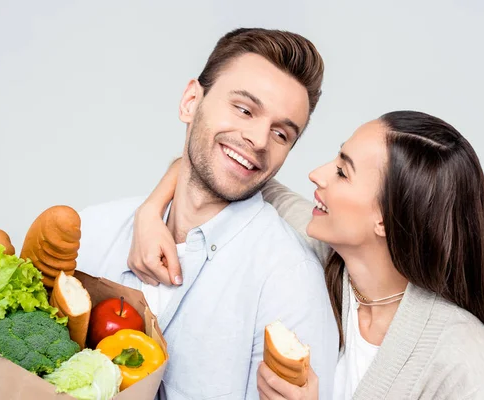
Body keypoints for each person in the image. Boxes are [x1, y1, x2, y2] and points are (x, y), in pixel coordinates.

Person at [128, 111, 484, 399]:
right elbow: (216, 171)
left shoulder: (460, 352)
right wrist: (150, 211)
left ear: (386, 218)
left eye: (343, 173)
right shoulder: (312, 248)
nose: (317, 173)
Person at [76, 28, 338, 399]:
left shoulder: (290, 283)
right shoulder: (94, 230)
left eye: (281, 134)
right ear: (190, 102)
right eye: (244, 109)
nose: (259, 140)